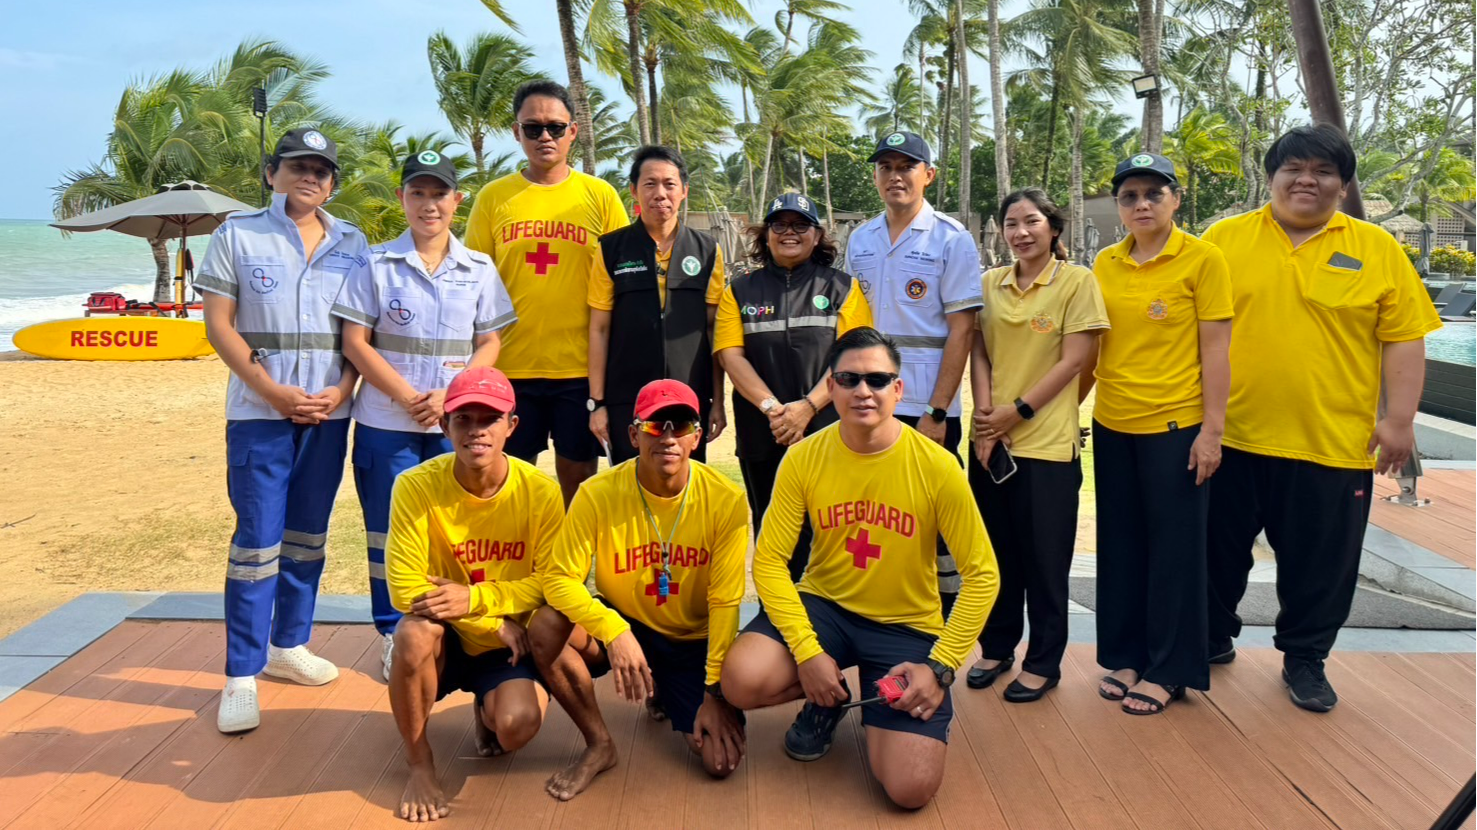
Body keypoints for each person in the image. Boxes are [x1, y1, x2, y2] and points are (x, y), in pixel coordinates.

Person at [1203, 124, 1441, 712]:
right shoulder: (1223, 241)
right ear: (1272, 177)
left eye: (1323, 171)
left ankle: (1305, 659)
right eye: (1294, 168)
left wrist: (1401, 420)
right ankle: (1207, 640)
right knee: (1211, 554)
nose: (1307, 179)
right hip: (1229, 437)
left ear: (1342, 184)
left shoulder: (1375, 248)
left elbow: (1405, 338)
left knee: (1321, 567)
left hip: (1331, 444)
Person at [721, 327, 999, 810]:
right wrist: (807, 653)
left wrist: (942, 666)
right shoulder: (804, 457)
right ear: (831, 387)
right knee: (741, 679)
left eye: (877, 379)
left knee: (911, 789)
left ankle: (881, 699)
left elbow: (983, 575)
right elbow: (767, 561)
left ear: (898, 388)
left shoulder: (936, 467)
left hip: (906, 625)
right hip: (824, 609)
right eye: (848, 379)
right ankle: (826, 699)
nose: (862, 391)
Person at [196, 127, 369, 734]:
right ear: (273, 172)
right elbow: (219, 325)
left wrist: (343, 390)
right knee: (256, 543)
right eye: (298, 166)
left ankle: (288, 646)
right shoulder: (237, 234)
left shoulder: (354, 241)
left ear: (333, 182)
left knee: (306, 537)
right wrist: (272, 391)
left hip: (328, 414)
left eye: (322, 170)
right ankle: (241, 674)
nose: (310, 177)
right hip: (259, 416)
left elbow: (360, 334)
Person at [334, 150, 517, 681]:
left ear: (457, 202)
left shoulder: (478, 268)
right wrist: (411, 395)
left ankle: (454, 635)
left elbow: (490, 340)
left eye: (439, 193)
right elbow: (355, 341)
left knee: (453, 533)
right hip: (386, 423)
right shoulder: (374, 263)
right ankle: (394, 633)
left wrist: (451, 396)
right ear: (402, 199)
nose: (429, 204)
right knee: (388, 534)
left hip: (453, 424)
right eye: (418, 192)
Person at [530, 379, 749, 800]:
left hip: (691, 639)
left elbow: (725, 601)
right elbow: (557, 578)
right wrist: (614, 630)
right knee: (544, 626)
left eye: (680, 425)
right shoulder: (597, 493)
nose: (667, 437)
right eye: (654, 426)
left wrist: (714, 690)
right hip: (624, 621)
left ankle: (667, 689)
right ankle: (599, 744)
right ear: (633, 435)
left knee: (720, 762)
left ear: (697, 436)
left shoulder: (726, 499)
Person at [1082, 154, 1232, 715]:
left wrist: (1211, 432)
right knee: (1121, 548)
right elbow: (1092, 347)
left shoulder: (1203, 259)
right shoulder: (1105, 262)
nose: (1141, 204)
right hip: (1113, 422)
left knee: (1175, 552)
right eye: (1129, 196)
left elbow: (1216, 350)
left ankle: (1170, 668)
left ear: (1175, 199)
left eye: (1153, 193)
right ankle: (1126, 655)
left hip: (1176, 426)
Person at [384, 367, 563, 822]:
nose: (476, 430)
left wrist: (473, 598)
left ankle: (487, 711)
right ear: (444, 426)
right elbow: (404, 586)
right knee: (412, 635)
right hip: (454, 634)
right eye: (463, 418)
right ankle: (419, 761)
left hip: (506, 645)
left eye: (490, 418)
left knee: (516, 728)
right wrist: (484, 617)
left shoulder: (540, 491)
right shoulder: (415, 485)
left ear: (512, 426)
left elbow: (553, 582)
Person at [965, 188, 1109, 703]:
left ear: (1053, 228)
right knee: (995, 556)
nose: (1020, 232)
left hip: (1046, 446)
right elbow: (977, 353)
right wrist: (986, 421)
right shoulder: (988, 283)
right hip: (989, 444)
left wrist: (1016, 413)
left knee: (1045, 561)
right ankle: (997, 645)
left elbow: (1074, 361)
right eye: (1010, 223)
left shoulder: (1076, 282)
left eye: (1031, 222)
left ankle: (1044, 661)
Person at [464, 79, 628, 506]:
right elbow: (472, 282)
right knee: (510, 483)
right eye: (532, 128)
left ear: (573, 131)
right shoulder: (493, 198)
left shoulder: (600, 196)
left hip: (578, 370)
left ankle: (570, 569)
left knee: (578, 478)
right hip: (510, 365)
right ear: (516, 132)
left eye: (555, 127)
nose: (545, 137)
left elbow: (623, 282)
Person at [845, 131, 984, 615]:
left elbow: (962, 332)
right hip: (869, 404)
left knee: (936, 521)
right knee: (876, 517)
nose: (895, 176)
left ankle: (941, 628)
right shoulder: (860, 239)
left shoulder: (952, 238)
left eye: (907, 166)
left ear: (928, 175)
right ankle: (880, 614)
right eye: (886, 167)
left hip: (926, 405)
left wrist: (938, 410)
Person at [715, 192, 873, 582]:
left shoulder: (843, 288)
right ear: (765, 234)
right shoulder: (739, 291)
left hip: (828, 431)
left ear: (817, 235)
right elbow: (731, 356)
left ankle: (832, 621)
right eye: (779, 224)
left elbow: (854, 358)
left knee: (833, 529)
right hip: (762, 431)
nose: (790, 232)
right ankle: (777, 620)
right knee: (771, 529)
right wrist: (773, 409)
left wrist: (807, 407)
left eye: (800, 225)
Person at [588, 145, 727, 464]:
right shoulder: (611, 249)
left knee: (685, 487)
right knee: (627, 487)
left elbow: (714, 331)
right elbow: (599, 329)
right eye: (649, 184)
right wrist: (598, 403)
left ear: (684, 191)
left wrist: (717, 401)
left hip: (689, 397)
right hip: (627, 398)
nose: (660, 193)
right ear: (634, 191)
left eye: (669, 184)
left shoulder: (707, 250)